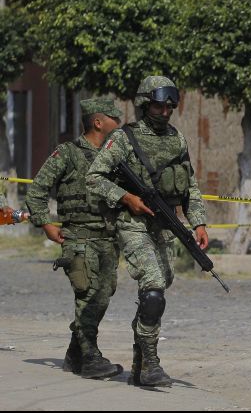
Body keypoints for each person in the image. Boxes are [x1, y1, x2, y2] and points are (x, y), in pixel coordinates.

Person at [86, 76, 208, 388]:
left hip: (166, 224)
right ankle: (152, 361)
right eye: (158, 104)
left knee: (159, 288)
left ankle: (140, 360)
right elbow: (94, 177)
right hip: (134, 223)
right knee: (153, 288)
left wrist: (199, 223)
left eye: (170, 106)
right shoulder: (124, 138)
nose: (165, 111)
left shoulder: (177, 139)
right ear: (144, 104)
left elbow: (190, 185)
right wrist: (127, 198)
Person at [24, 98, 123, 379]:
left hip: (108, 239)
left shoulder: (115, 157)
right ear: (99, 122)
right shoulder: (67, 153)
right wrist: (45, 224)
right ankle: (91, 358)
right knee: (88, 297)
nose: (121, 125)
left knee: (103, 296)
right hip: (79, 239)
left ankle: (74, 354)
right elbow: (37, 190)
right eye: (116, 119)